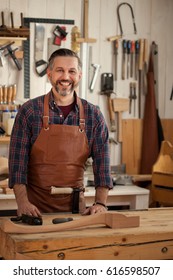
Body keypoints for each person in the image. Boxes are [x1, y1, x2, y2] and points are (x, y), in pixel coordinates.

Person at [9, 48, 112, 217]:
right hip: (34, 212)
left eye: (72, 71)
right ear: (49, 74)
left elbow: (102, 166)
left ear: (79, 75)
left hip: (77, 213)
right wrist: (23, 203)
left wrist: (100, 203)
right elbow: (17, 166)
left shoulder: (94, 115)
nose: (65, 77)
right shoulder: (29, 112)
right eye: (59, 70)